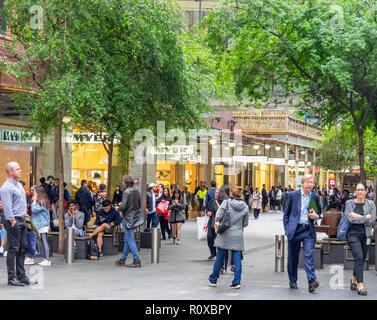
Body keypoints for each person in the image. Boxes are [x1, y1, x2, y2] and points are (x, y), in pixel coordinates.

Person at [283, 174, 322, 293]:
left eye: (312, 183)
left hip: (308, 230)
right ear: (303, 183)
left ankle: (312, 282)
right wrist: (287, 230)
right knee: (293, 257)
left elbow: (318, 213)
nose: (310, 185)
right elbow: (286, 214)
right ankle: (293, 280)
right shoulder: (292, 195)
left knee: (308, 255)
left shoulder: (314, 196)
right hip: (295, 230)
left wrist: (316, 217)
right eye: (308, 182)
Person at [208, 187, 249, 289]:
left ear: (231, 193)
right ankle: (236, 282)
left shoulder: (226, 203)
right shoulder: (245, 207)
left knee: (220, 256)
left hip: (225, 234)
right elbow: (245, 223)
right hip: (237, 234)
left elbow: (218, 217)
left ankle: (214, 279)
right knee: (237, 259)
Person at [0, 162, 29, 286]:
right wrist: (12, 221)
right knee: (13, 248)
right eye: (17, 169)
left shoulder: (18, 185)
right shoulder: (6, 187)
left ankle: (21, 275)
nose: (20, 171)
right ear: (10, 171)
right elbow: (6, 206)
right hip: (14, 220)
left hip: (22, 219)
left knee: (22, 248)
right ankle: (11, 278)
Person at [346, 182, 376, 296]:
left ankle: (353, 279)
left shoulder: (371, 204)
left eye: (362, 189)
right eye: (358, 189)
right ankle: (360, 285)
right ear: (355, 191)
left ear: (366, 191)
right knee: (358, 257)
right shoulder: (349, 203)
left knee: (361, 259)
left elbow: (372, 220)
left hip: (366, 236)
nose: (360, 191)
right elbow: (350, 219)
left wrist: (357, 216)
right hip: (353, 235)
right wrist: (365, 217)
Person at [116, 174, 142, 268]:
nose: (122, 183)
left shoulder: (126, 192)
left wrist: (118, 207)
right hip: (134, 217)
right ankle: (122, 259)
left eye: (123, 181)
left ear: (125, 182)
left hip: (127, 218)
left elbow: (123, 207)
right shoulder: (136, 191)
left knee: (130, 238)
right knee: (128, 238)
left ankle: (136, 260)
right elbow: (139, 204)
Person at [30, 186, 52, 266]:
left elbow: (34, 210)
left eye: (35, 192)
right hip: (42, 224)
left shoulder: (41, 201)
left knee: (44, 241)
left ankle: (47, 259)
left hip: (42, 224)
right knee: (43, 241)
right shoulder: (43, 201)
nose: (33, 193)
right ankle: (46, 258)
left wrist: (34, 201)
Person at [206, 188, 220, 260]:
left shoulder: (223, 202)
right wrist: (208, 212)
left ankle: (219, 254)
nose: (216, 194)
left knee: (218, 239)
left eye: (217, 193)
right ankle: (213, 252)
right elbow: (208, 210)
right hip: (212, 223)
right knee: (209, 238)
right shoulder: (212, 202)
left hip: (219, 224)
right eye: (215, 193)